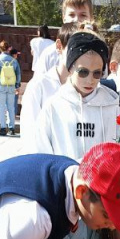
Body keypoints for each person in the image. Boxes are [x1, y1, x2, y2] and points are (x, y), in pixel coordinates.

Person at [33, 32, 120, 160]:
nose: (90, 80)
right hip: (64, 178)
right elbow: (41, 151)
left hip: (103, 179)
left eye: (97, 73)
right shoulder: (54, 107)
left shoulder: (112, 106)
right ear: (70, 68)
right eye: (83, 72)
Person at [19, 22, 86, 151]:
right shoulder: (39, 86)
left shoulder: (89, 89)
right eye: (75, 49)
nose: (79, 57)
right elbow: (30, 136)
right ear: (59, 46)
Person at [33, 0, 94, 76]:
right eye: (71, 15)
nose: (76, 20)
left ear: (91, 19)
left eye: (83, 15)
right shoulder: (49, 54)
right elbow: (37, 85)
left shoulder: (96, 54)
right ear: (64, 18)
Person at [0, 41, 20, 137]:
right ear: (8, 49)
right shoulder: (14, 61)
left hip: (0, 85)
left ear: (0, 48)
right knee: (11, 107)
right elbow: (18, 74)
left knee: (1, 107)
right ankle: (12, 128)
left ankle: (3, 128)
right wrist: (17, 85)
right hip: (11, 86)